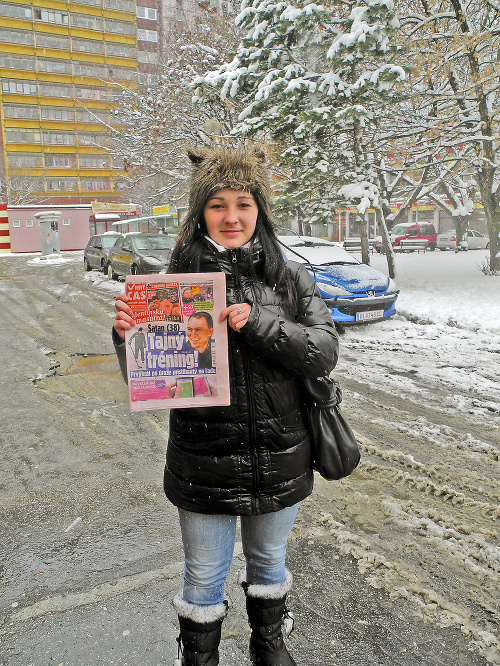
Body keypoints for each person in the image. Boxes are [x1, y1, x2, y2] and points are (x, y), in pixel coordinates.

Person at [112, 146, 339, 666]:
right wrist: (129, 337)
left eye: (243, 203)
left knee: (269, 560)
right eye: (217, 204)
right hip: (203, 459)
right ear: (200, 212)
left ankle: (270, 644)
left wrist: (257, 325)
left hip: (281, 455)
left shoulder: (289, 277)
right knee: (203, 576)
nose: (232, 217)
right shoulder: (171, 281)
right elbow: (148, 380)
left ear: (260, 209)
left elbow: (323, 351)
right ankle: (198, 657)